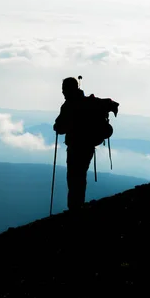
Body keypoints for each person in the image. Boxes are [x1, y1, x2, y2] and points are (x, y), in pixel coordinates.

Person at [53, 77, 118, 211]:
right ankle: (77, 205)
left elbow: (60, 128)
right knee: (80, 175)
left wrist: (57, 126)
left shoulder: (69, 106)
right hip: (88, 146)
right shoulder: (90, 102)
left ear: (68, 89)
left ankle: (74, 207)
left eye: (64, 89)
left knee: (73, 177)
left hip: (75, 147)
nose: (63, 93)